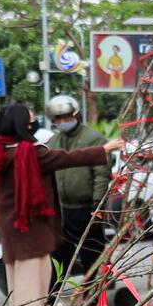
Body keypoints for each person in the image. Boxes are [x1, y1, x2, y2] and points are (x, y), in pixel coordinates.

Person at [0, 102, 123, 306]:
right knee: (33, 270)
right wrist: (104, 149)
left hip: (8, 219)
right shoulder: (29, 152)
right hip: (29, 220)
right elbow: (67, 158)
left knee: (18, 268)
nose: (33, 123)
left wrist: (97, 203)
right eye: (29, 120)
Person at [43, 95, 111, 284]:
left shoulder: (94, 138)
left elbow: (101, 174)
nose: (62, 121)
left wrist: (97, 205)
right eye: (58, 119)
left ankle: (93, 295)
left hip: (86, 208)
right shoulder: (53, 141)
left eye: (66, 117)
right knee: (59, 255)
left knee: (91, 253)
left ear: (76, 115)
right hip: (61, 209)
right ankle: (54, 295)